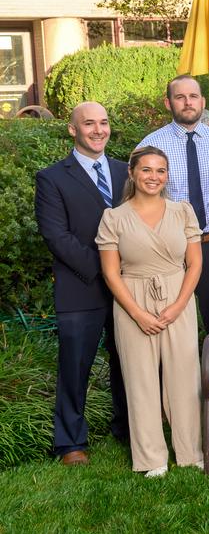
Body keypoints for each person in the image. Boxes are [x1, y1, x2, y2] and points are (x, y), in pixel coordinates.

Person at [96, 146, 203, 477]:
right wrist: (138, 314)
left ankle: (189, 451)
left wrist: (179, 304)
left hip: (177, 295)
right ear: (132, 173)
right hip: (132, 298)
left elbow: (195, 262)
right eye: (146, 170)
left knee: (184, 376)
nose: (153, 177)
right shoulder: (113, 218)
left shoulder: (182, 211)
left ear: (167, 175)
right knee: (140, 380)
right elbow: (111, 273)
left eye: (160, 170)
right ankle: (151, 458)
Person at [34, 101, 128, 465]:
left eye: (104, 122)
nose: (98, 130)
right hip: (80, 286)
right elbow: (57, 236)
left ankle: (129, 428)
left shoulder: (126, 172)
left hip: (128, 289)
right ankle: (71, 442)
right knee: (75, 366)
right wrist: (105, 270)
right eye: (89, 123)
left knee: (128, 362)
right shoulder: (52, 178)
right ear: (73, 129)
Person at [137, 75, 209, 335]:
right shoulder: (151, 146)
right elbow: (137, 201)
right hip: (168, 247)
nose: (187, 102)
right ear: (168, 103)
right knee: (168, 321)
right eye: (180, 97)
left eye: (193, 96)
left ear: (202, 101)